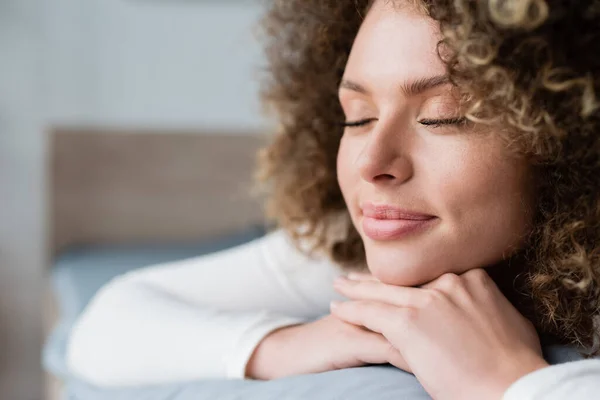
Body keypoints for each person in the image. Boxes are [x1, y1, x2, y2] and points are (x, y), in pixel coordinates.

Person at [66, 0, 600, 398]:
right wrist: (284, 346)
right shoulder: (356, 248)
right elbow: (104, 328)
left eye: (444, 116)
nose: (371, 163)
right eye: (358, 118)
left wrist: (505, 383)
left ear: (569, 137)